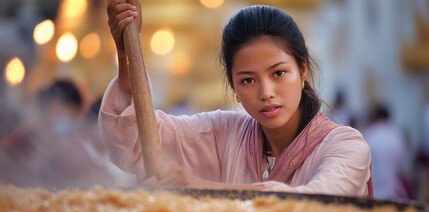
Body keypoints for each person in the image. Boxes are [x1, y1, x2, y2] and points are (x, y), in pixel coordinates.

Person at [100, 0, 373, 197]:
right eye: (248, 80)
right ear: (233, 88)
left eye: (278, 73)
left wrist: (200, 188)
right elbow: (133, 142)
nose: (266, 92)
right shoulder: (225, 134)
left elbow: (312, 204)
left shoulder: (346, 146)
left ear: (302, 70)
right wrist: (125, 58)